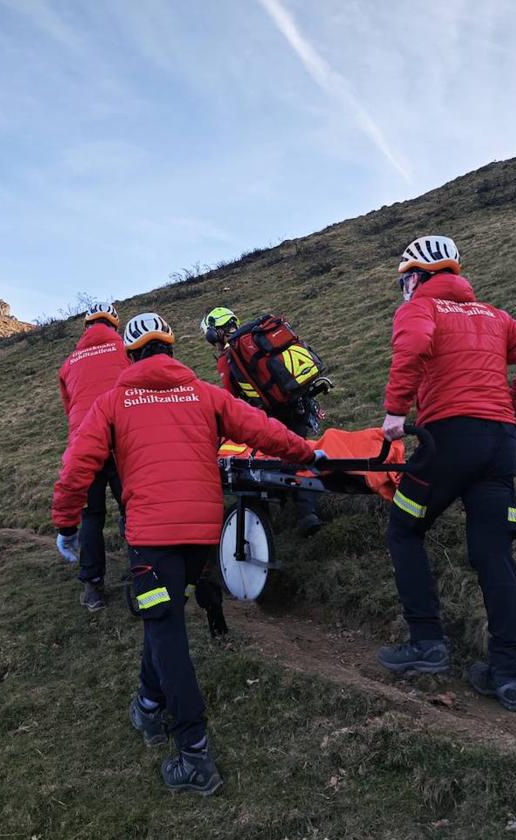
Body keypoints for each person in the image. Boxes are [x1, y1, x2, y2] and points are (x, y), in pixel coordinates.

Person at [53, 312, 324, 795]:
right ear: (173, 350)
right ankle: (149, 704)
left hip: (153, 538)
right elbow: (261, 429)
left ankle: (194, 752)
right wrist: (307, 453)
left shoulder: (113, 402)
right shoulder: (204, 392)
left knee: (166, 629)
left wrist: (66, 522)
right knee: (162, 619)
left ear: (130, 355)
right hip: (202, 534)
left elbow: (78, 465)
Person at [377, 235, 516, 712]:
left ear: (416, 277)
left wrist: (395, 411)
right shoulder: (494, 316)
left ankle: (427, 642)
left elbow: (413, 346)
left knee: (404, 529)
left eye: (405, 280)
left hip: (449, 442)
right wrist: (512, 409)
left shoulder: (420, 308)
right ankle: (508, 672)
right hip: (500, 446)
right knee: (493, 554)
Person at [200, 306, 324, 535]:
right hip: (297, 403)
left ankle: (263, 522)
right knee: (300, 455)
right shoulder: (255, 343)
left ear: (212, 334)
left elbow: (231, 399)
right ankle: (307, 512)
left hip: (268, 417)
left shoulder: (231, 357)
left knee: (261, 466)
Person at [56, 302, 129, 612]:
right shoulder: (127, 349)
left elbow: (69, 408)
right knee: (133, 509)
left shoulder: (69, 362)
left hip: (85, 443)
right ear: (114, 326)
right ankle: (143, 574)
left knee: (91, 516)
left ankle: (92, 587)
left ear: (86, 328)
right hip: (122, 441)